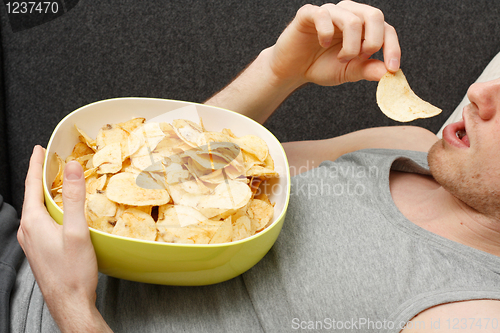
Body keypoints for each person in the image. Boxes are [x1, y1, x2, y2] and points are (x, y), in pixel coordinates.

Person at [14, 1, 500, 332]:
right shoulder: (406, 144)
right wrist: (278, 72)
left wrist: (72, 306)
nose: (479, 92)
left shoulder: (464, 316)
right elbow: (186, 169)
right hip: (19, 249)